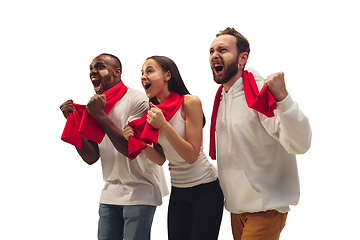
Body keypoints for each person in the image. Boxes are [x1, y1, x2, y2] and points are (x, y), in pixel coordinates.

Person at [208, 27, 312, 240]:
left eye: (223, 50)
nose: (215, 55)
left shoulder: (258, 94)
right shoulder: (221, 98)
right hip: (236, 207)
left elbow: (300, 143)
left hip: (266, 206)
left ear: (242, 57)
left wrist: (283, 98)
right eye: (211, 51)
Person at [59, 53, 168, 240]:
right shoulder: (96, 105)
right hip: (110, 193)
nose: (93, 71)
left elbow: (129, 149)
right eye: (91, 68)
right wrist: (74, 123)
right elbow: (91, 157)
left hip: (141, 190)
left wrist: (100, 116)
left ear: (117, 72)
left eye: (100, 67)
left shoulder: (137, 100)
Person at [123, 56, 224, 240]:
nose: (144, 76)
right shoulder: (153, 111)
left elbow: (192, 154)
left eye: (150, 70)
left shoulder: (190, 102)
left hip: (206, 189)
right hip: (179, 191)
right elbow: (161, 158)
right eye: (142, 73)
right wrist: (138, 143)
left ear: (167, 75)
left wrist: (164, 125)